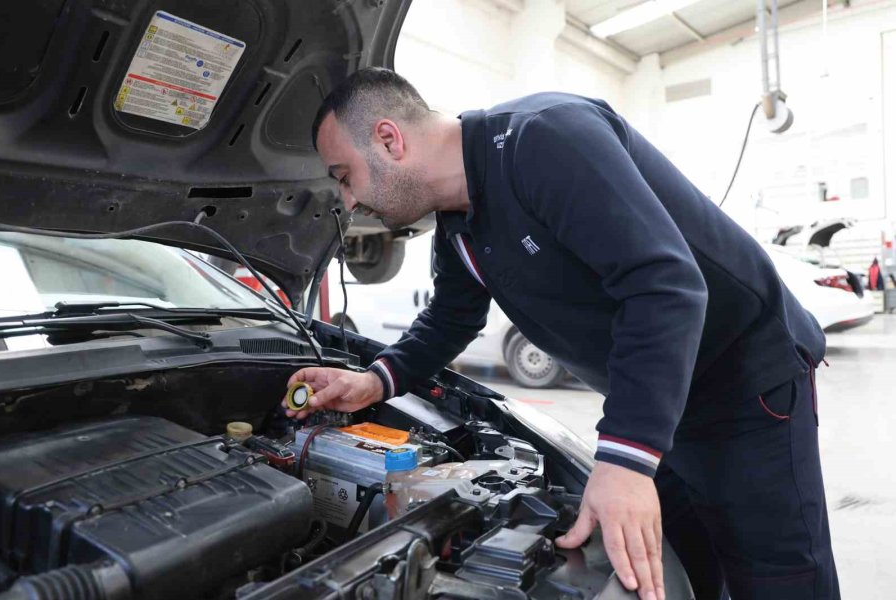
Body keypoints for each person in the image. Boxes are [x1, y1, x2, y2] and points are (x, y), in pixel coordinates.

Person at [282, 68, 839, 600]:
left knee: (777, 582)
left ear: (389, 140)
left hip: (744, 385)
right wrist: (372, 383)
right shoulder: (456, 224)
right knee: (668, 574)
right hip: (658, 400)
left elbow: (665, 284)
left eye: (344, 176)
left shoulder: (544, 139)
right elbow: (451, 318)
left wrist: (625, 459)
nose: (348, 201)